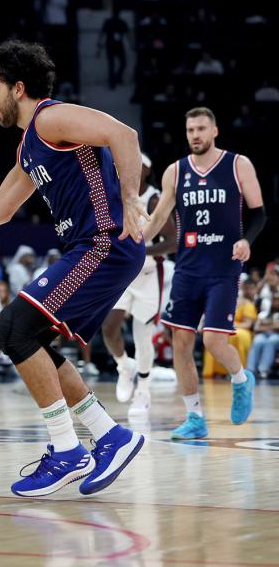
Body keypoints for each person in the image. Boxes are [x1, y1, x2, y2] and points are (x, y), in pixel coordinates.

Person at [0, 41, 146, 497]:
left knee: (12, 327)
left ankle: (67, 450)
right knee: (26, 337)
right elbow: (0, 209)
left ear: (19, 88)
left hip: (105, 244)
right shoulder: (29, 147)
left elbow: (125, 135)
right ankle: (110, 436)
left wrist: (133, 197)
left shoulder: (49, 118)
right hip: (89, 247)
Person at [142, 107, 265, 439]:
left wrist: (245, 240)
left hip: (224, 267)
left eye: (200, 129)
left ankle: (241, 379)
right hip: (188, 267)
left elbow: (259, 214)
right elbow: (158, 218)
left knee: (212, 339)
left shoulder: (238, 165)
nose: (195, 135)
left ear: (214, 132)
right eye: (190, 130)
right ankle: (195, 417)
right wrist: (136, 239)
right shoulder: (175, 172)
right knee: (180, 341)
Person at [101, 153, 176, 419]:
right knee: (109, 327)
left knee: (142, 336)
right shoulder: (115, 195)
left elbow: (173, 240)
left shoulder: (154, 199)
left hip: (147, 275)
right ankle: (124, 367)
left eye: (139, 165)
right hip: (122, 274)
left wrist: (140, 251)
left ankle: (143, 390)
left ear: (146, 171)